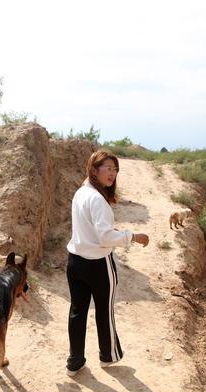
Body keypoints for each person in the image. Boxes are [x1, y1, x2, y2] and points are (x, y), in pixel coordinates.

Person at [65, 149, 149, 376]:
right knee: (104, 311)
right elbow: (105, 237)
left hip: (74, 262)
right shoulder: (98, 200)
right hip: (98, 265)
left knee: (77, 312)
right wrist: (133, 236)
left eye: (115, 169)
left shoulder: (82, 192)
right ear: (94, 170)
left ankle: (74, 362)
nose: (112, 174)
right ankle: (108, 356)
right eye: (107, 169)